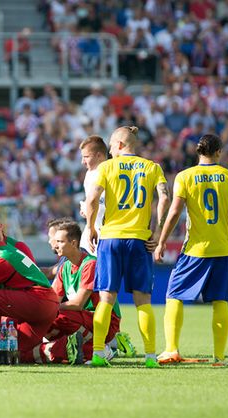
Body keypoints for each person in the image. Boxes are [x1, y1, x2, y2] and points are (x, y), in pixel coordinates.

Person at [154, 134, 228, 366]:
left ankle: (171, 349)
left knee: (173, 295)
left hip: (194, 249)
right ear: (219, 152)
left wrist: (162, 240)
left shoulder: (185, 176)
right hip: (222, 247)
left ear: (198, 152)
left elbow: (175, 212)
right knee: (220, 302)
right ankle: (219, 357)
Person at [85, 126, 170, 368]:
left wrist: (91, 227)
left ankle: (99, 354)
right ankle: (151, 357)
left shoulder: (107, 167)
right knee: (143, 301)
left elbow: (92, 199)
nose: (110, 150)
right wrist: (157, 229)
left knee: (106, 299)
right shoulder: (152, 168)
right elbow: (164, 197)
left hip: (111, 238)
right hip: (140, 240)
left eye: (111, 145)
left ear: (120, 145)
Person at [34, 221, 133, 365]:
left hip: (105, 322)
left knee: (61, 315)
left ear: (73, 243)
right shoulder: (65, 267)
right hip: (83, 318)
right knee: (47, 319)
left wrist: (51, 308)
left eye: (60, 242)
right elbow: (54, 299)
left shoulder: (89, 264)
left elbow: (78, 304)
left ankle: (100, 349)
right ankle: (75, 350)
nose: (55, 245)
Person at [0, 222, 59, 364]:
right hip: (48, 303)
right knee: (17, 352)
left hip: (37, 299)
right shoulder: (6, 251)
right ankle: (61, 348)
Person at [79, 135, 108, 252]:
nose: (83, 162)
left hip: (104, 233)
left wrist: (89, 207)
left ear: (99, 156)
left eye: (86, 157)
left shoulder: (108, 173)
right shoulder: (89, 174)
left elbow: (102, 203)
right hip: (92, 229)